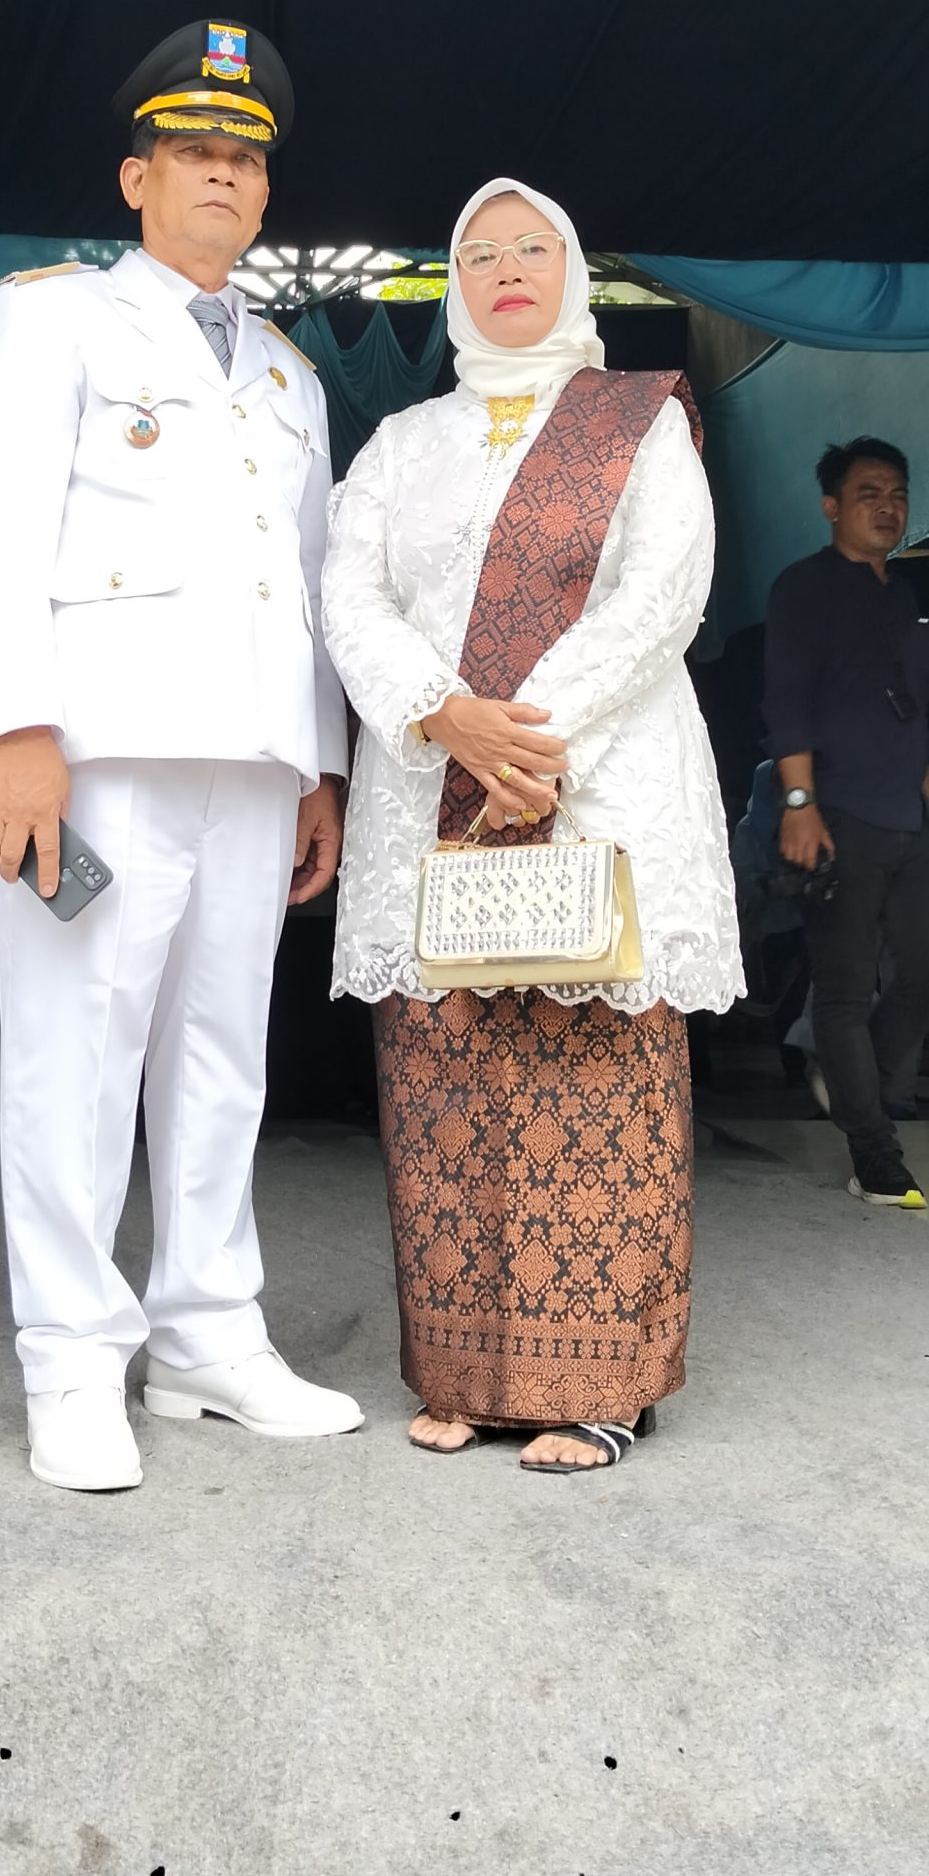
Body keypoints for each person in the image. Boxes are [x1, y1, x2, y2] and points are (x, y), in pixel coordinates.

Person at [0, 18, 359, 1495]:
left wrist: (320, 767)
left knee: (222, 1057)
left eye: (246, 158)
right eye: (194, 151)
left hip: (253, 760)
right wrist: (17, 731)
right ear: (137, 178)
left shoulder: (292, 376)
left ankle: (206, 1334)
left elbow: (307, 583)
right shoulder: (53, 318)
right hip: (102, 749)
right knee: (76, 1053)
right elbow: (0, 526)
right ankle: (70, 1356)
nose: (224, 175)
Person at [322, 180, 741, 1471]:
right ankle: (466, 1377)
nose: (507, 268)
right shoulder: (400, 444)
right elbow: (350, 594)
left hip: (597, 787)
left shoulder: (638, 422)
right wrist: (445, 715)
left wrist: (526, 740)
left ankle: (598, 1387)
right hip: (435, 790)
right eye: (481, 253)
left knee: (597, 1087)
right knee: (446, 1083)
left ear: (571, 274)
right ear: (456, 285)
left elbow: (662, 592)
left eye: (532, 249)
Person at [764, 437, 929, 1208]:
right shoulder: (804, 586)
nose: (887, 506)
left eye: (897, 493)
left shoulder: (907, 596)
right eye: (869, 493)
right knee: (847, 986)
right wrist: (800, 805)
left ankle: (849, 1076)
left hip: (910, 817)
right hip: (839, 814)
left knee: (920, 977)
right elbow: (787, 700)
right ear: (832, 506)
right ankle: (875, 1154)